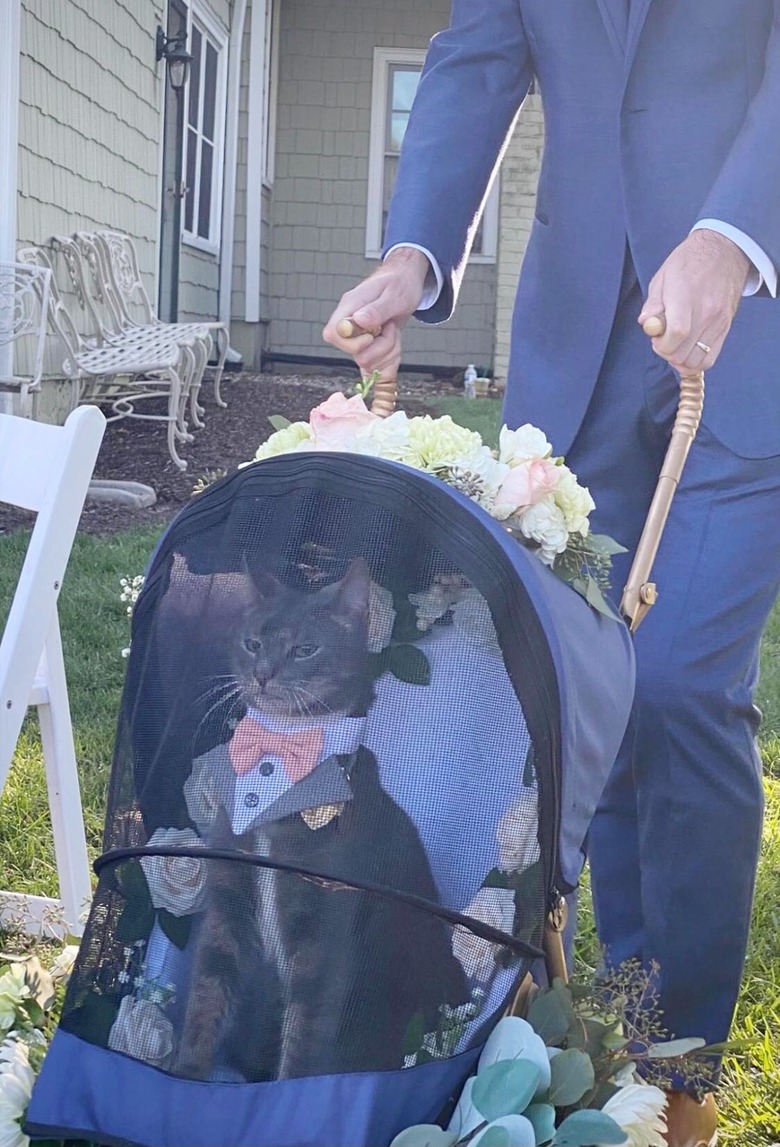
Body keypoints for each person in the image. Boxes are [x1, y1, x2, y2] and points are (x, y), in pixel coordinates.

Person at [323, 4, 780, 1144]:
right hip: (576, 344)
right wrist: (408, 257)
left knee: (673, 687)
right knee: (590, 697)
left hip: (751, 331)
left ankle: (676, 1073)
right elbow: (477, 56)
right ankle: (614, 1028)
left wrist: (733, 234)